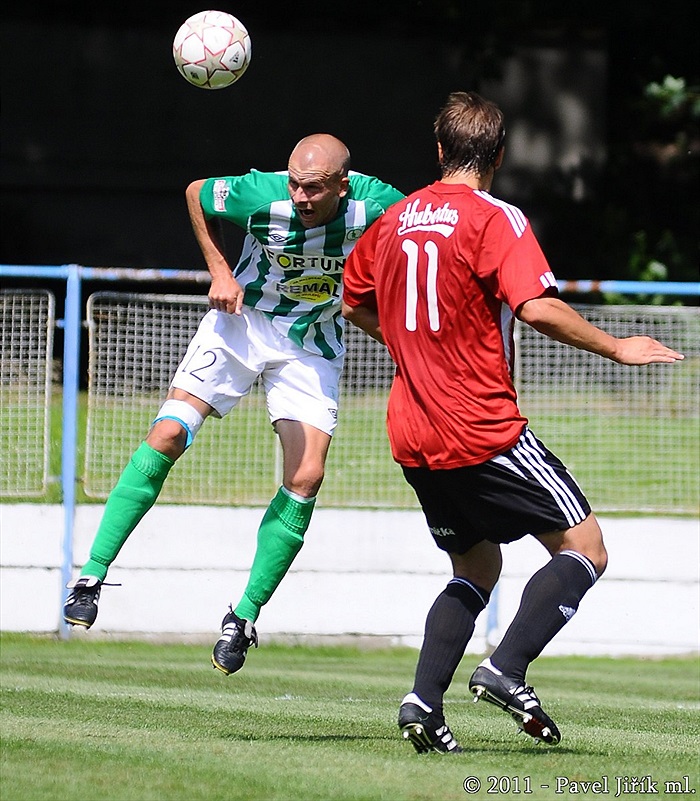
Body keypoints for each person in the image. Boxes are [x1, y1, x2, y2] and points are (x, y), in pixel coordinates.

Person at [341, 92, 684, 754]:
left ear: (438, 151)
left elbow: (354, 301)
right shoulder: (496, 218)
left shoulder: (392, 221)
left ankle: (422, 700)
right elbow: (536, 307)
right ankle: (505, 668)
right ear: (499, 156)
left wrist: (415, 344)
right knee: (585, 547)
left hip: (412, 434)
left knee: (476, 564)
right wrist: (618, 346)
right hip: (481, 428)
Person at [64, 134, 404, 676]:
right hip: (240, 327)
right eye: (293, 182)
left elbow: (412, 239)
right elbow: (197, 192)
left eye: (313, 188)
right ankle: (91, 574)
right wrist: (220, 271)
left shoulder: (378, 203)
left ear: (343, 184)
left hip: (310, 344)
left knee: (307, 474)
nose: (299, 196)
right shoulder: (260, 194)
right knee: (168, 436)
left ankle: (242, 617)